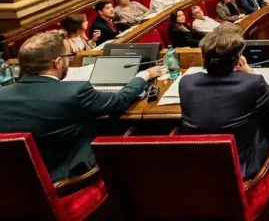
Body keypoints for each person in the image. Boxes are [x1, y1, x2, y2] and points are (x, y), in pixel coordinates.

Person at [0, 33, 162, 182]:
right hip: (69, 177)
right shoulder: (74, 92)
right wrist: (143, 75)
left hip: (15, 182)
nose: (68, 61)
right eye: (68, 57)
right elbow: (119, 100)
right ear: (57, 63)